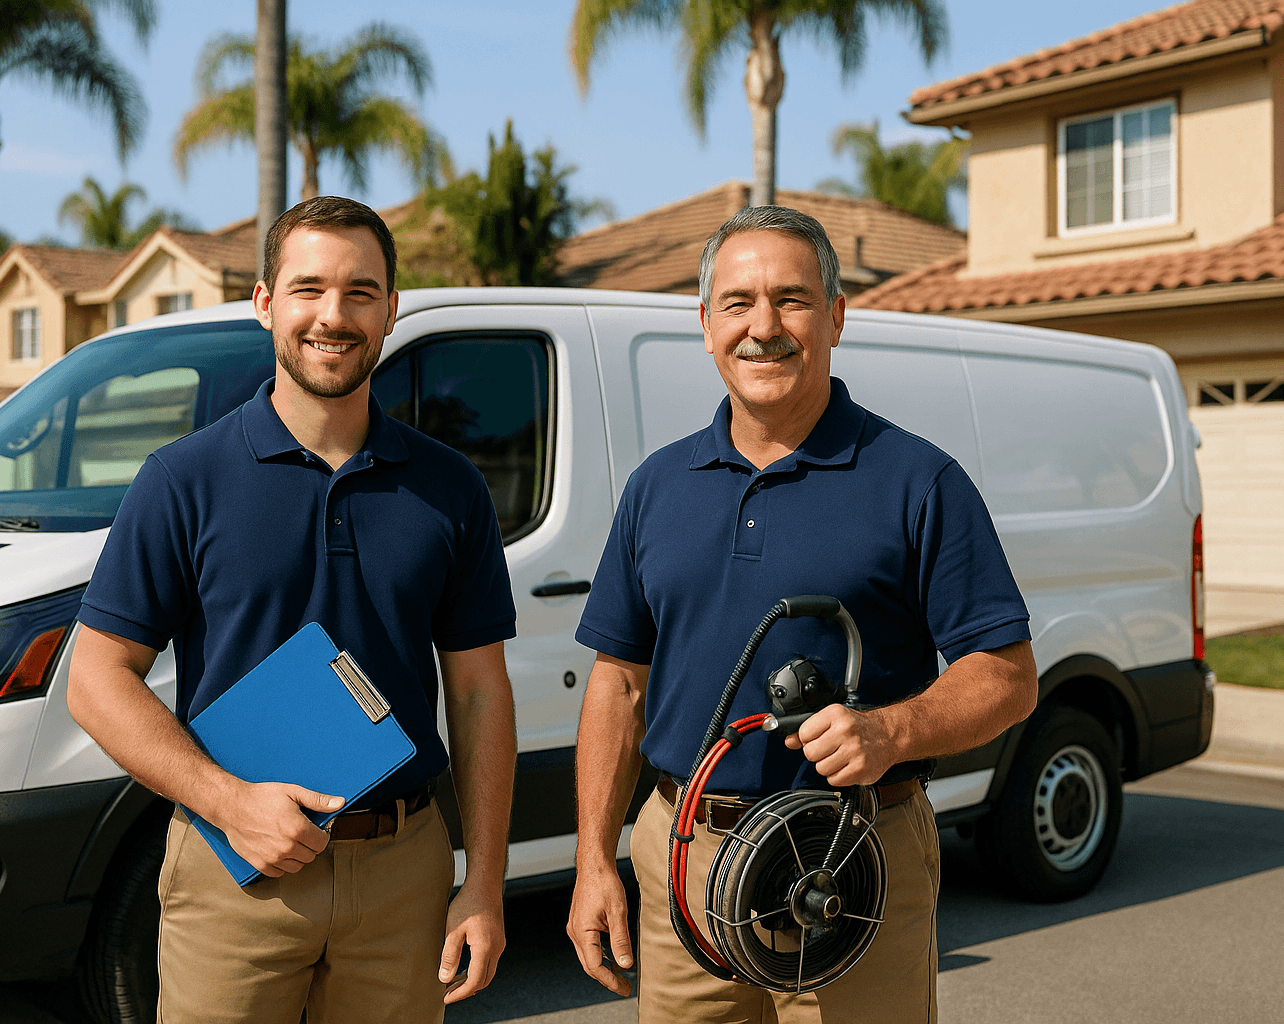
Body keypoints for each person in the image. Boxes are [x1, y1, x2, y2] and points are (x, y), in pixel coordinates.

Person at [565, 205, 1038, 1023]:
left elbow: (1007, 678)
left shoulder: (918, 480)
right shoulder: (656, 486)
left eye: (791, 299)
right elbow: (618, 685)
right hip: (689, 851)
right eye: (739, 303)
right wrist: (593, 862)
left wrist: (890, 732)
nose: (764, 327)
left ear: (836, 317)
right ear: (706, 324)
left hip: (852, 852)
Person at [67, 195, 518, 1024]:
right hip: (231, 866)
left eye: (359, 292)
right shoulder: (182, 481)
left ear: (390, 310)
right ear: (266, 302)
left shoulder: (449, 487)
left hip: (402, 870)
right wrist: (230, 803)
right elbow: (96, 680)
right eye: (308, 289)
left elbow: (481, 692)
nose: (332, 316)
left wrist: (483, 884)